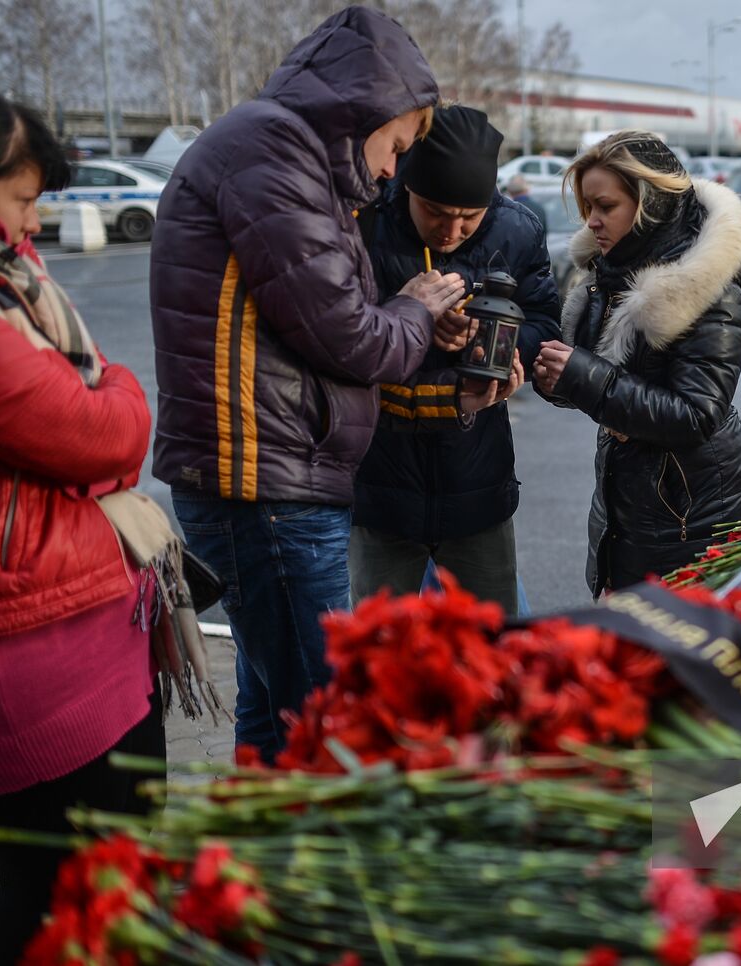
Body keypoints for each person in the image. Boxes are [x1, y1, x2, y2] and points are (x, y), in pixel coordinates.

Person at [150, 7, 522, 763]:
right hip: (265, 486)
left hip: (272, 477)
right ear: (367, 111)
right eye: (398, 146)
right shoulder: (272, 154)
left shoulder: (279, 154)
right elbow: (353, 338)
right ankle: (314, 872)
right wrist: (416, 309)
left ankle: (261, 867)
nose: (391, 170)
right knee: (321, 722)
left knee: (274, 705)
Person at [0, 84, 166, 964]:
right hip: (7, 649)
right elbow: (106, 433)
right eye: (20, 200)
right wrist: (121, 384)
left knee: (114, 875)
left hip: (67, 621)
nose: (31, 223)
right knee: (59, 890)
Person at [351, 107, 560, 614]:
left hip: (478, 479)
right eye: (436, 213)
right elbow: (342, 334)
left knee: (494, 644)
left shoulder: (516, 230)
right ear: (407, 190)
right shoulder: (366, 222)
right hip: (382, 484)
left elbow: (545, 326)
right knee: (383, 651)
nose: (451, 231)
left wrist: (491, 342)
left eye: (469, 218)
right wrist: (410, 317)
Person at [533, 131, 741, 597]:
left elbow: (695, 414)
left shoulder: (709, 293)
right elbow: (599, 378)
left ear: (651, 205)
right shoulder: (606, 276)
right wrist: (554, 376)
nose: (592, 222)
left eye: (605, 206)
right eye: (587, 209)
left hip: (692, 517)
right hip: (630, 503)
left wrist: (582, 377)